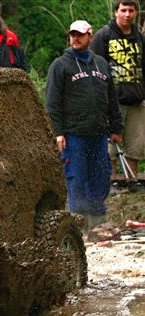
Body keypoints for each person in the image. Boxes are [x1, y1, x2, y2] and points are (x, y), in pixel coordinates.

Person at [45, 20, 124, 232]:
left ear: (90, 35)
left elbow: (112, 98)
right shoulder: (60, 65)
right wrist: (58, 133)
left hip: (99, 133)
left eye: (80, 34)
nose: (75, 38)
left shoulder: (101, 63)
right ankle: (78, 227)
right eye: (72, 35)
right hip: (73, 135)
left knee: (100, 176)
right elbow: (52, 103)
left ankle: (97, 224)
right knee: (76, 178)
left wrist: (116, 128)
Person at [90, 1, 145, 193]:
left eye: (131, 10)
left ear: (136, 12)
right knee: (111, 144)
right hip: (111, 99)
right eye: (123, 10)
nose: (127, 14)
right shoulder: (103, 36)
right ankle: (111, 181)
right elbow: (94, 66)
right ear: (116, 12)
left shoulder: (139, 37)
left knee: (136, 142)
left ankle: (132, 181)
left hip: (137, 98)